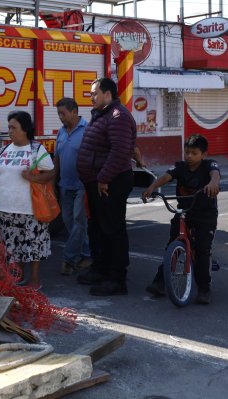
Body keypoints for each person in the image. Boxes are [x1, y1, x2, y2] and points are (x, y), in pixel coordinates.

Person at [141, 134, 220, 305]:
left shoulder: (209, 165)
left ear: (203, 154)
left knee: (202, 250)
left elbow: (215, 175)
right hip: (184, 211)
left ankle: (204, 289)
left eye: (194, 153)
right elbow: (167, 176)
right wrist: (153, 186)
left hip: (205, 214)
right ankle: (161, 283)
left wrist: (213, 183)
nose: (189, 156)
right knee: (172, 245)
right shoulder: (180, 166)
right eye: (187, 152)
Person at [76, 77, 136, 296]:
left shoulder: (118, 116)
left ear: (107, 94)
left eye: (94, 93)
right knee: (98, 229)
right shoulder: (102, 114)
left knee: (113, 230)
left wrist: (103, 179)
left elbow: (120, 152)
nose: (91, 97)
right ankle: (100, 269)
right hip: (97, 183)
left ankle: (117, 279)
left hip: (111, 183)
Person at [0, 110, 55, 290]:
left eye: (14, 127)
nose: (10, 131)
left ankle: (35, 280)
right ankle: (19, 277)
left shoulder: (36, 149)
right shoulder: (4, 149)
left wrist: (32, 178)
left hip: (30, 207)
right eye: (9, 127)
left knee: (33, 244)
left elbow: (50, 173)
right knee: (12, 245)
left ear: (25, 129)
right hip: (5, 207)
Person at [53, 98, 92, 276]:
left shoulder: (88, 130)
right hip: (64, 185)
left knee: (78, 221)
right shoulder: (61, 132)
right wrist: (53, 181)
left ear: (74, 111)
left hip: (82, 185)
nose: (61, 117)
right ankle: (87, 254)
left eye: (63, 113)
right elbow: (57, 159)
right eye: (59, 114)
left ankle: (69, 259)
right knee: (69, 222)